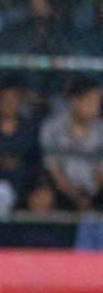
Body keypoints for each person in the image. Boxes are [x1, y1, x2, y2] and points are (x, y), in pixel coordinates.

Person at [39, 79, 103, 212]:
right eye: (90, 100)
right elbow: (53, 169)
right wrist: (76, 196)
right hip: (61, 193)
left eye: (98, 101)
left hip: (95, 196)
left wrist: (91, 198)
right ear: (75, 101)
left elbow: (100, 174)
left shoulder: (101, 130)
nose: (96, 107)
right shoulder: (52, 128)